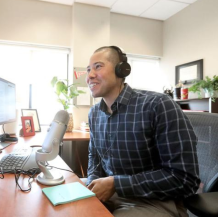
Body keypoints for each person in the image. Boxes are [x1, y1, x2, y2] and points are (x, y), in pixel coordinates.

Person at [85, 46, 200, 217]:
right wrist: (92, 183)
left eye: (98, 67)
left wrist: (117, 184)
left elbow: (184, 179)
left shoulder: (158, 105)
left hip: (155, 201)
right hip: (112, 194)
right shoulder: (94, 114)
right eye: (88, 70)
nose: (90, 75)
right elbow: (94, 158)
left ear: (121, 70)